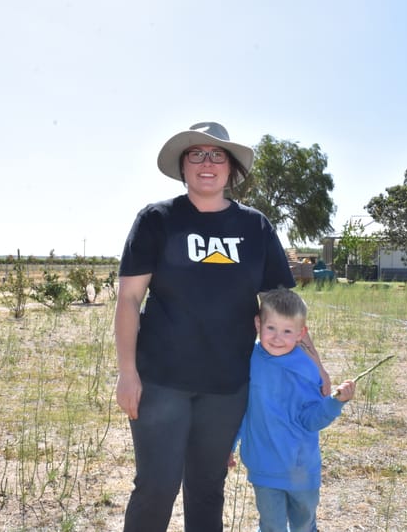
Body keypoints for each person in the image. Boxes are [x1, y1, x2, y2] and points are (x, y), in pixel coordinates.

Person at [114, 121, 330, 532]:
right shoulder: (157, 220)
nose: (207, 163)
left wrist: (314, 364)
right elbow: (128, 299)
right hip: (161, 381)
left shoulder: (255, 227)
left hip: (228, 384)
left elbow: (283, 307)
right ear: (183, 167)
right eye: (196, 154)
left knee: (208, 485)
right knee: (156, 486)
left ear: (231, 169)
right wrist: (127, 373)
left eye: (217, 155)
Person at [234, 287, 355, 532]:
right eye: (271, 328)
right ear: (258, 324)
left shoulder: (308, 370)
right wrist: (227, 446)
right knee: (272, 526)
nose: (278, 338)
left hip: (301, 468)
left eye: (287, 331)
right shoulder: (248, 360)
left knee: (303, 523)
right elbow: (239, 409)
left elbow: (310, 420)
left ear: (301, 333)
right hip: (263, 465)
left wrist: (334, 403)